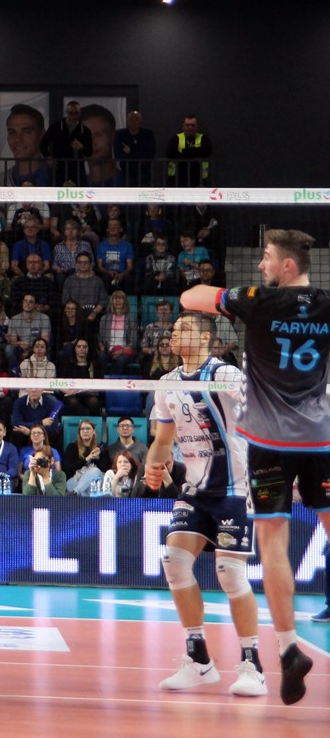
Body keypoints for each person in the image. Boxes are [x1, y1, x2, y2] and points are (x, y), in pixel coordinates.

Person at [181, 229, 330, 705]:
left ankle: (288, 648)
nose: (261, 265)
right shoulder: (326, 304)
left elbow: (190, 297)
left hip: (268, 443)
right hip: (321, 439)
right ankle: (286, 650)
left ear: (287, 265)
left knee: (273, 545)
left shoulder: (257, 301)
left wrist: (234, 298)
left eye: (266, 258)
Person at [142, 313, 264, 697]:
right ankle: (199, 661)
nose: (174, 333)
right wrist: (152, 465)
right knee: (174, 562)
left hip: (235, 488)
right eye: (174, 328)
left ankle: (252, 665)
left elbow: (260, 412)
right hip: (195, 489)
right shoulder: (166, 384)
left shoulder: (225, 374)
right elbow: (163, 440)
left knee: (229, 572)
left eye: (184, 328)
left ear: (206, 338)